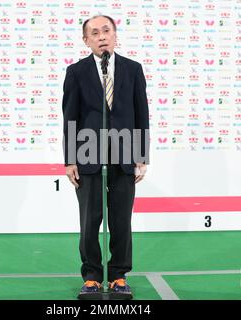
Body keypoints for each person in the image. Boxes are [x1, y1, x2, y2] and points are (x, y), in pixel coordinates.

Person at [62, 15, 149, 300]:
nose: (102, 37)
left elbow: (141, 114)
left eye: (106, 31)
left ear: (115, 35)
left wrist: (141, 155)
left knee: (122, 220)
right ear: (86, 40)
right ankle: (91, 276)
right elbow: (70, 116)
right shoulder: (76, 72)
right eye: (95, 33)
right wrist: (70, 159)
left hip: (124, 156)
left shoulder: (133, 69)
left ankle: (119, 275)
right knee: (89, 220)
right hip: (88, 156)